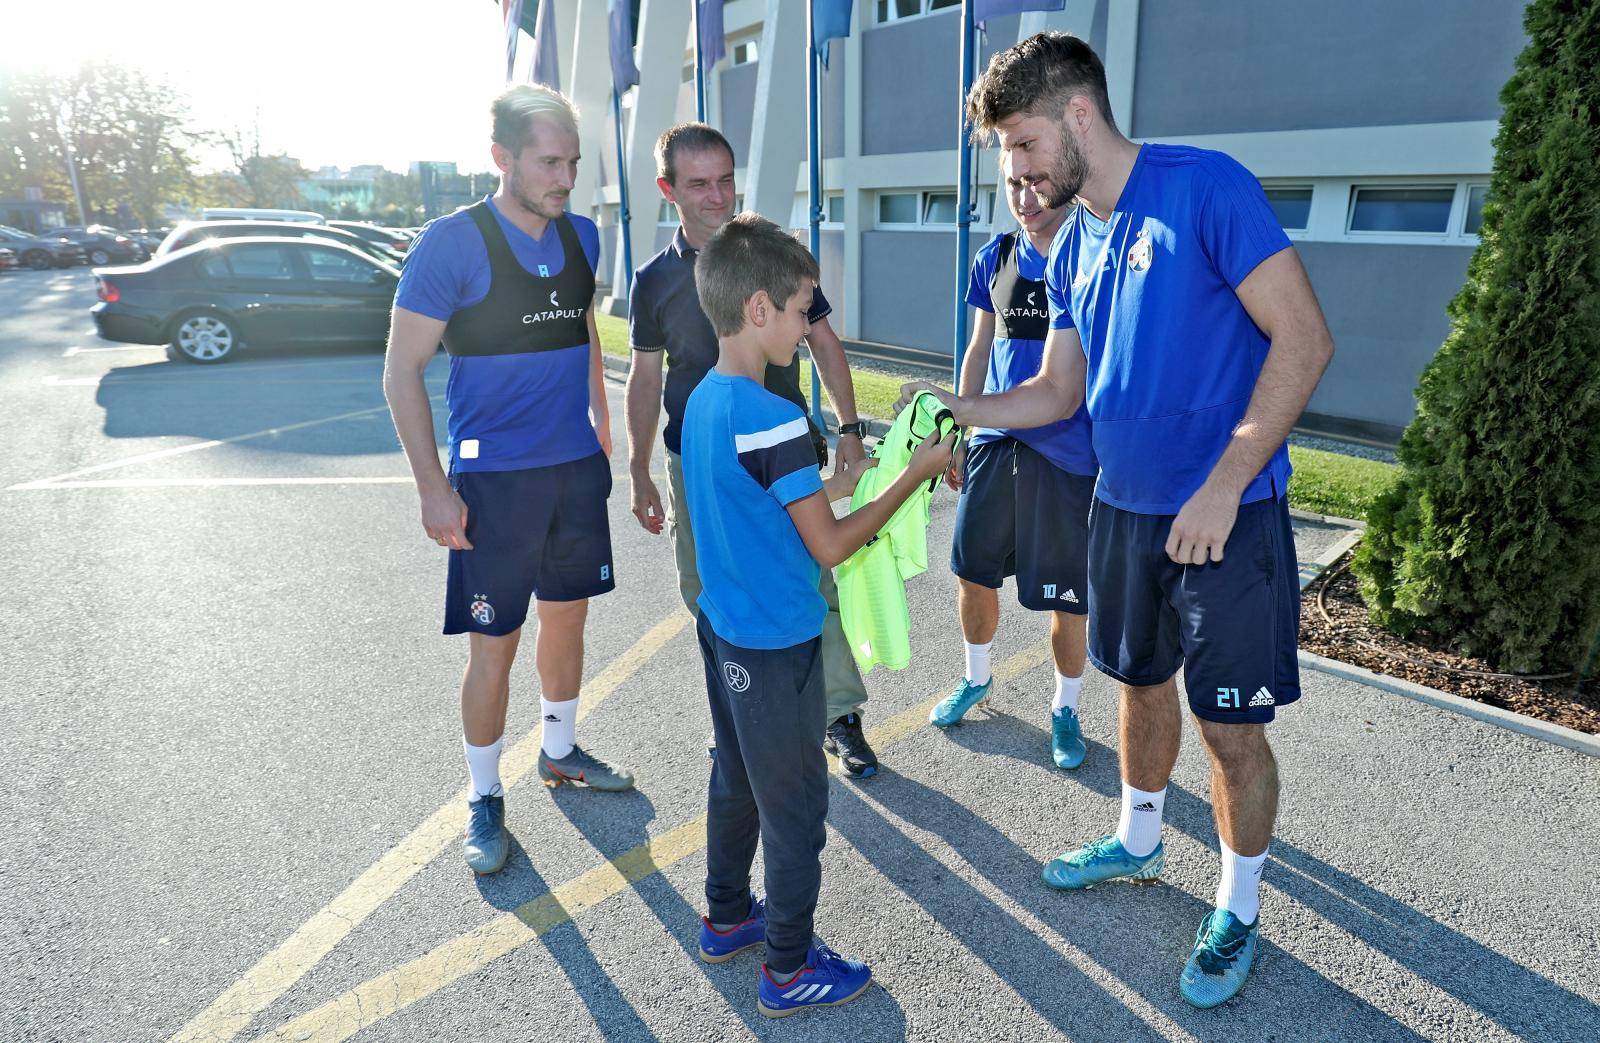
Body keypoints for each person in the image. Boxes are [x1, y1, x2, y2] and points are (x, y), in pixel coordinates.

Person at [902, 32, 1334, 1007]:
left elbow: (1303, 340)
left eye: (1018, 144)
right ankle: (1138, 838)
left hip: (1226, 517)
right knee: (1137, 688)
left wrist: (1224, 481)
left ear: (1077, 117)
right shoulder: (1074, 245)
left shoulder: (1204, 188)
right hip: (1121, 512)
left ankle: (1237, 904)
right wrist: (953, 409)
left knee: (1230, 734)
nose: (1011, 169)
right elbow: (1058, 391)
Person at [685, 213, 953, 1018]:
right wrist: (916, 478)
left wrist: (846, 479)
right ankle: (789, 967)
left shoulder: (707, 399)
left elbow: (772, 505)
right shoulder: (772, 415)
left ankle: (727, 916)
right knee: (796, 811)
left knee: (735, 777)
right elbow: (831, 548)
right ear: (760, 307)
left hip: (726, 627)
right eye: (805, 310)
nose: (809, 329)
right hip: (778, 644)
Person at [383, 84, 635, 879]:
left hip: (573, 471)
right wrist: (432, 486)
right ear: (501, 158)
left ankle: (559, 749)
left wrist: (603, 422)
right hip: (494, 482)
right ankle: (484, 794)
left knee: (568, 621)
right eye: (548, 162)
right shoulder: (451, 244)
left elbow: (585, 332)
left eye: (572, 162)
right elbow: (401, 371)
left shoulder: (584, 238)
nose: (564, 178)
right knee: (495, 643)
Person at [626, 123, 881, 778]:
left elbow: (823, 344)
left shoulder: (774, 257)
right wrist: (637, 468)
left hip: (783, 451)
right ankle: (740, 709)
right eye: (698, 184)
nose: (717, 197)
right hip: (697, 463)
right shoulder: (653, 281)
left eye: (726, 180)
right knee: (709, 590)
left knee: (813, 582)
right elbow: (646, 377)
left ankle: (837, 714)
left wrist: (851, 431)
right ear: (667, 190)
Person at [928, 151, 1098, 773]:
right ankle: (976, 679)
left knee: (1066, 596)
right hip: (996, 440)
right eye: (1013, 184)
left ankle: (1066, 707)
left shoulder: (1091, 254)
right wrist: (960, 427)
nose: (1025, 198)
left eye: (1037, 183)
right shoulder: (993, 258)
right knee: (972, 569)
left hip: (1067, 451)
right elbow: (977, 348)